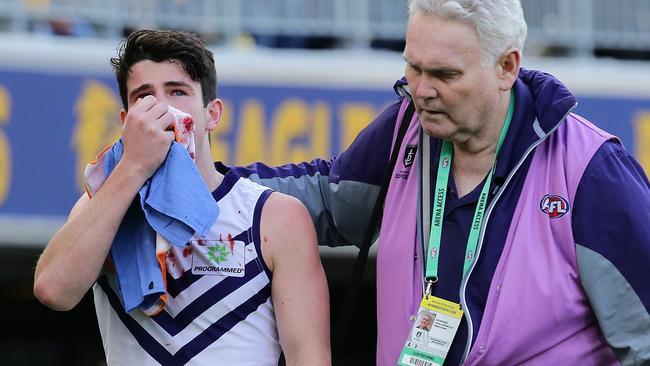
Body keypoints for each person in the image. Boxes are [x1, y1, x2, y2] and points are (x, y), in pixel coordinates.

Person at [224, 0, 650, 365]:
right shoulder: (405, 128)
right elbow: (323, 199)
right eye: (413, 67)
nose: (422, 90)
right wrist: (210, 186)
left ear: (507, 66)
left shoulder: (592, 169)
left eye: (445, 75)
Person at [33, 29, 331, 366]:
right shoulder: (103, 205)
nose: (162, 109)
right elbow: (53, 291)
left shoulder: (274, 215)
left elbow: (310, 358)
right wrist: (133, 165)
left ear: (212, 114)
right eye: (144, 97)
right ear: (126, 121)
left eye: (178, 92)